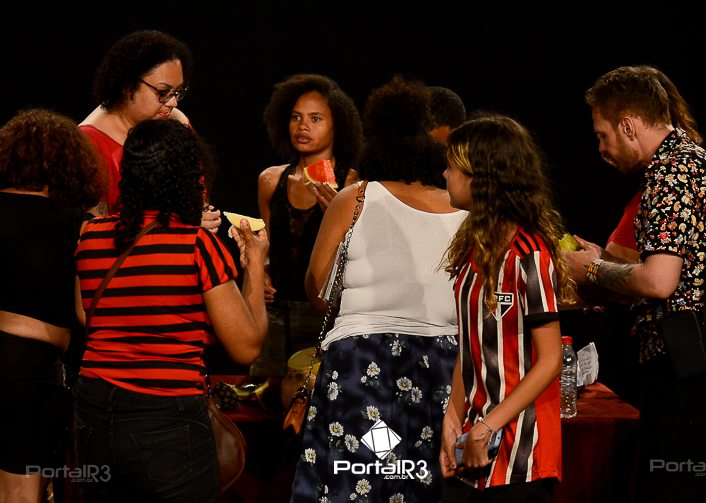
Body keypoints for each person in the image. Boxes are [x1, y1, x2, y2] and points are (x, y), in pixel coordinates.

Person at [564, 65, 706, 502]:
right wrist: (604, 261)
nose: (600, 148)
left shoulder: (672, 172)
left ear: (628, 125)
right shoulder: (697, 164)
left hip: (693, 373)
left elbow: (659, 281)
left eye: (603, 135)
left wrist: (590, 269)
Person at [289, 75, 467, 502]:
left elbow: (317, 291)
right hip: (442, 369)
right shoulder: (464, 210)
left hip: (363, 369)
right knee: (419, 481)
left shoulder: (355, 197)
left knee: (363, 479)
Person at [73, 119, 268, 502]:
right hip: (166, 418)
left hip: (93, 414)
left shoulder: (91, 237)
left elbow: (87, 317)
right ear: (189, 178)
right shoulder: (196, 245)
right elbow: (246, 347)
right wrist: (256, 265)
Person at [438, 114, 575, 502]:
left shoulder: (529, 254)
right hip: (475, 442)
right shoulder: (472, 251)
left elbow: (550, 359)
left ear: (480, 177)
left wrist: (488, 426)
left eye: (452, 166)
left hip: (523, 454)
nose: (445, 174)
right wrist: (453, 416)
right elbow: (470, 344)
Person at [0, 108, 105, 503]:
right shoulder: (79, 225)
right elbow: (86, 313)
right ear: (69, 163)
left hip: (21, 363)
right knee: (22, 493)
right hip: (28, 368)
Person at [254, 73, 363, 377]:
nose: (303, 126)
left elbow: (363, 254)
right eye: (296, 117)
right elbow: (267, 244)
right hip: (275, 313)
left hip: (326, 314)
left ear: (337, 125)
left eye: (315, 119)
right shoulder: (270, 180)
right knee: (265, 392)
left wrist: (340, 218)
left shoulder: (352, 184)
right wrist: (261, 274)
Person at [79, 29, 221, 232]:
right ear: (127, 85)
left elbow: (198, 192)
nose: (173, 102)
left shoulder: (177, 121)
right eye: (163, 92)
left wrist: (203, 217)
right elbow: (91, 234)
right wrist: (177, 226)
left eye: (178, 92)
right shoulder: (89, 143)